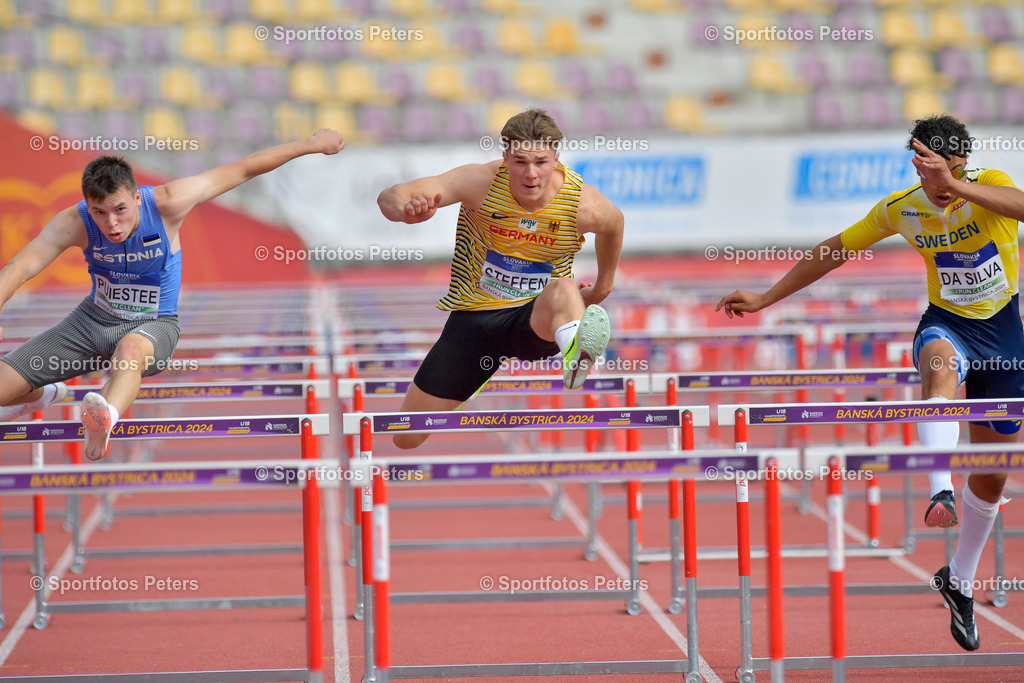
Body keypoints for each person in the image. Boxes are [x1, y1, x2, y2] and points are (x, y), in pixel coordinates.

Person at [717, 114, 1024, 651]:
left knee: (994, 477)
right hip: (946, 324)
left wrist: (954, 187)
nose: (920, 165)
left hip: (1003, 336)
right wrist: (767, 298)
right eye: (916, 156)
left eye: (931, 157)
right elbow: (833, 251)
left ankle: (959, 578)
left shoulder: (991, 187)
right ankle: (939, 491)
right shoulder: (900, 207)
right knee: (939, 376)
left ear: (956, 160)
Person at [0, 128, 345, 460]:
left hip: (154, 325)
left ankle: (104, 417)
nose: (112, 224)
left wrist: (311, 144)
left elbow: (243, 168)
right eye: (99, 213)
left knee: (130, 351)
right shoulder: (73, 222)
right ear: (87, 206)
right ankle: (41, 395)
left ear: (137, 197)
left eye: (120, 210)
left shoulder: (168, 202)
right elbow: (21, 266)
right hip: (91, 321)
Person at [377, 108, 623, 450]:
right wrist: (406, 209)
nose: (531, 174)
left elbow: (614, 224)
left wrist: (603, 287)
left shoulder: (582, 204)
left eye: (541, 162)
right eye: (521, 161)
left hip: (533, 319)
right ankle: (470, 381)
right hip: (474, 323)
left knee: (565, 289)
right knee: (406, 436)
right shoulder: (478, 182)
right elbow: (390, 197)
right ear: (505, 156)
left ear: (556, 159)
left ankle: (575, 353)